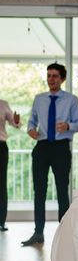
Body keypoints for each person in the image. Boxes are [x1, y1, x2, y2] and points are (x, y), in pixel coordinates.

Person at [22, 62, 78, 246]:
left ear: (62, 79)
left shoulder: (71, 100)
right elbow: (31, 121)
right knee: (39, 191)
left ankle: (65, 234)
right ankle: (38, 233)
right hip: (41, 147)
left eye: (55, 76)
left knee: (61, 191)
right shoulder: (39, 99)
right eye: (49, 75)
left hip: (60, 147)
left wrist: (68, 126)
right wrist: (31, 129)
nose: (51, 79)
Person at [0, 98, 21, 231]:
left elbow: (16, 124)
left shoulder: (3, 104)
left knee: (1, 183)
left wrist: (17, 120)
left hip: (0, 147)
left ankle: (1, 221)